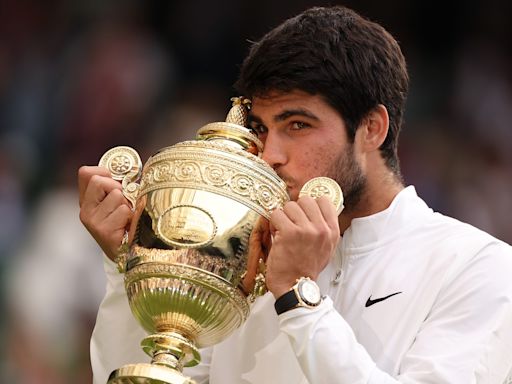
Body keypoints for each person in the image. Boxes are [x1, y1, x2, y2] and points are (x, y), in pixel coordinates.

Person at [78, 6, 512, 384]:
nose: (270, 155)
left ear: (372, 129)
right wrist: (129, 269)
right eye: (262, 129)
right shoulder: (241, 257)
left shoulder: (478, 267)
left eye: (298, 125)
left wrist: (299, 299)